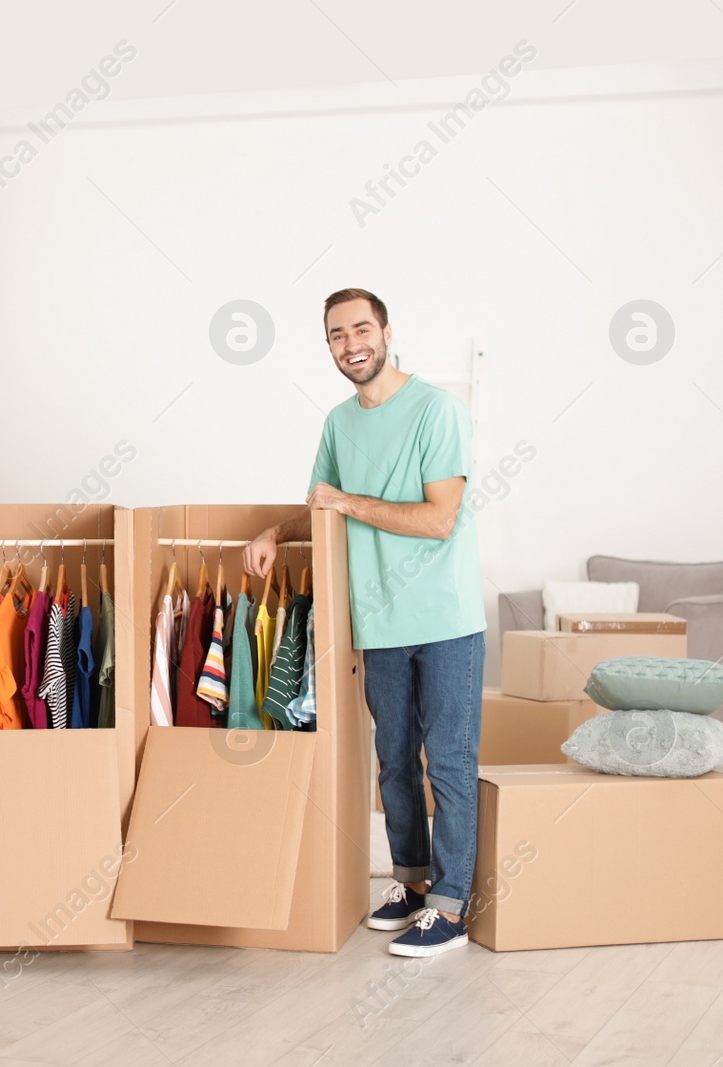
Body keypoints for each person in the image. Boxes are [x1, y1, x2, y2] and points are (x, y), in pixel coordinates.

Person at [243, 288, 485, 958]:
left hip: (445, 619)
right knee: (393, 762)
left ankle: (451, 903)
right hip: (377, 622)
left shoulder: (438, 410)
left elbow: (439, 519)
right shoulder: (339, 423)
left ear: (385, 330)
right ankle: (410, 884)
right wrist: (272, 530)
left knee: (452, 762)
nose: (351, 344)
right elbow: (324, 506)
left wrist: (348, 501)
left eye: (360, 329)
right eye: (335, 336)